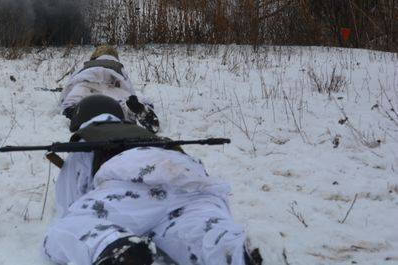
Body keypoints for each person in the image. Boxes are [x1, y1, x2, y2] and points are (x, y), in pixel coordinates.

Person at [43, 95, 260, 265]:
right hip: (192, 185)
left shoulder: (84, 142)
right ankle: (241, 252)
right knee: (201, 232)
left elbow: (69, 201)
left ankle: (115, 248)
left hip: (128, 192)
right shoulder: (142, 132)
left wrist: (85, 214)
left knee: (63, 231)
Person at [61, 45, 160, 132]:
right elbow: (128, 87)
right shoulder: (117, 66)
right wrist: (139, 102)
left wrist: (66, 102)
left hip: (86, 86)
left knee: (73, 101)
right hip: (113, 88)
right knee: (126, 102)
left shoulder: (86, 65)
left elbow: (70, 84)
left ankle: (75, 111)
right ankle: (138, 111)